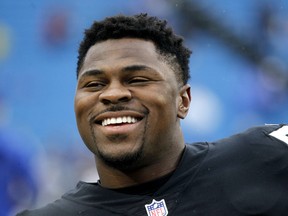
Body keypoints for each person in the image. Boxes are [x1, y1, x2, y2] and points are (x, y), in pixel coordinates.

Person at [17, 13, 288, 216]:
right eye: (94, 84)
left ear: (183, 101)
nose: (112, 94)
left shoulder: (267, 155)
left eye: (137, 79)